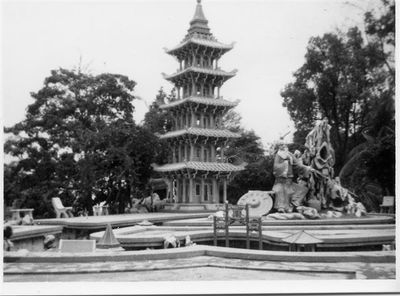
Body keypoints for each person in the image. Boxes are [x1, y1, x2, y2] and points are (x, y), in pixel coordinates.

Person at [272, 143, 311, 213]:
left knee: (302, 190)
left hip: (289, 179)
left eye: (284, 145)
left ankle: (293, 204)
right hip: (280, 179)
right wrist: (285, 164)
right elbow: (275, 167)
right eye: (281, 145)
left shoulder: (290, 155)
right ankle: (282, 208)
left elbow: (297, 166)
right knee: (281, 190)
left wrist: (307, 168)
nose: (283, 147)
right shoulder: (278, 155)